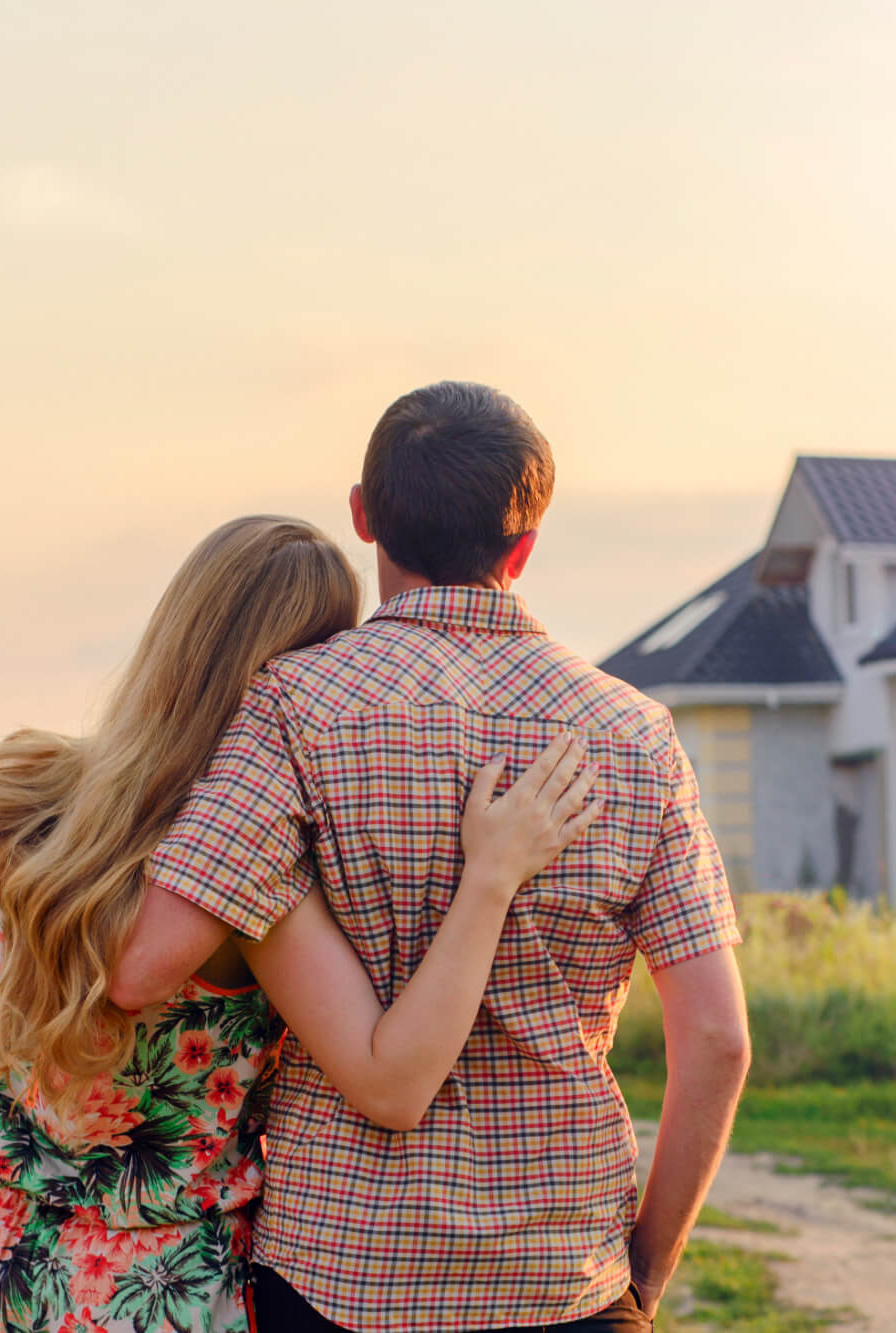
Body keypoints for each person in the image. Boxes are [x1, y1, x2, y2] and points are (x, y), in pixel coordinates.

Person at [110, 382, 752, 1332]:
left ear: (364, 514)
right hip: (562, 1273)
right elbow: (717, 1040)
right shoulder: (636, 734)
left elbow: (155, 954)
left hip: (341, 1273)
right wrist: (643, 1277)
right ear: (524, 544)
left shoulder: (296, 704)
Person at [0, 515, 606, 1333]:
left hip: (1, 1268)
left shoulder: (27, 799)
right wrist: (491, 878)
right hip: (161, 1293)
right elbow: (391, 1080)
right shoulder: (248, 889)